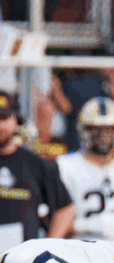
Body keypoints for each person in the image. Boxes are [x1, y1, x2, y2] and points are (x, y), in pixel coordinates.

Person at [56, 97, 114, 242]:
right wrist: (88, 226)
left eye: (108, 129)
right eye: (95, 129)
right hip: (80, 251)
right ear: (83, 131)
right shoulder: (65, 165)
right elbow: (56, 225)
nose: (102, 135)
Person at [0, 91, 72, 246]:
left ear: (16, 121)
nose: (0, 125)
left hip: (20, 261)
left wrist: (49, 246)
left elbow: (64, 210)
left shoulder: (36, 164)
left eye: (4, 118)